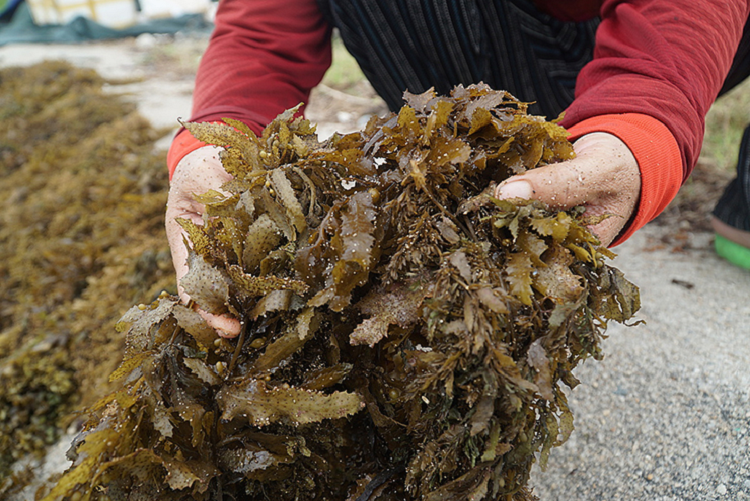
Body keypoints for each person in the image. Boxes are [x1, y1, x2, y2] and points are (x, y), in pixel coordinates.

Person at [165, 0, 750, 337]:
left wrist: (645, 118)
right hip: (452, 63)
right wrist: (219, 140)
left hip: (633, 30)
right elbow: (262, 34)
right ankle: (472, 171)